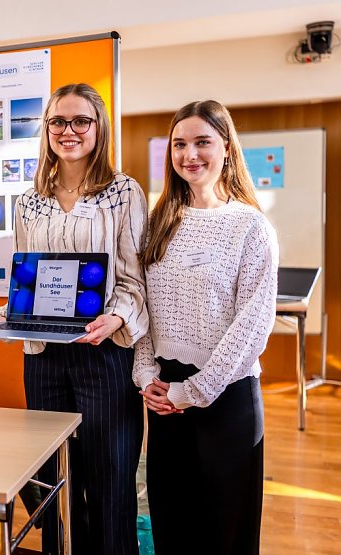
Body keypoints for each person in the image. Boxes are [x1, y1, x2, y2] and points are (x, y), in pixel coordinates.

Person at [0, 83, 148, 555]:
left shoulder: (123, 192)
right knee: (55, 480)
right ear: (47, 129)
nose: (69, 131)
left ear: (98, 128)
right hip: (43, 357)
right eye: (59, 121)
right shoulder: (29, 199)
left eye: (81, 121)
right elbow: (29, 276)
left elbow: (136, 280)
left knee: (109, 478)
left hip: (103, 355)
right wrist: (10, 311)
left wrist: (114, 319)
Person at [134, 100, 278, 555]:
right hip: (164, 398)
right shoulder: (158, 223)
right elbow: (144, 307)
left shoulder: (250, 226)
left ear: (227, 149)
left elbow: (253, 323)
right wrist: (145, 376)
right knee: (173, 526)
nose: (188, 154)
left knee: (226, 535)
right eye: (179, 144)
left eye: (202, 142)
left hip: (226, 398)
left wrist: (192, 392)